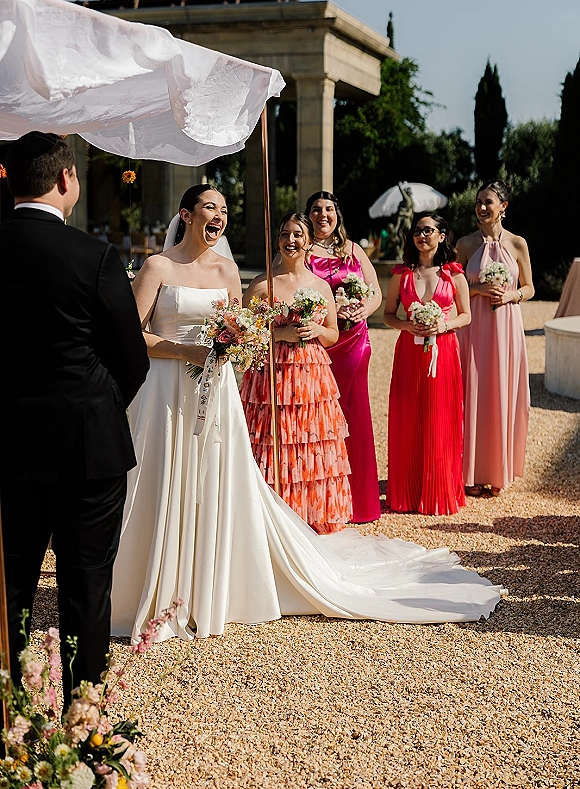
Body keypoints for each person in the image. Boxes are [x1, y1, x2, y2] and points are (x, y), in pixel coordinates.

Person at [111, 186, 505, 645]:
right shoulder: (158, 267)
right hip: (165, 388)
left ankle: (205, 584)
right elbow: (130, 334)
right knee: (161, 476)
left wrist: (238, 343)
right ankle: (151, 579)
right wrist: (187, 350)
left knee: (212, 480)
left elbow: (243, 333)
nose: (218, 215)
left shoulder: (229, 271)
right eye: (209, 208)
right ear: (186, 214)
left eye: (223, 208)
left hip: (214, 389)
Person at [0, 132, 149, 705]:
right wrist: (97, 403)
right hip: (89, 448)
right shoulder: (95, 256)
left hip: (8, 448)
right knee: (86, 589)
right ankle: (84, 727)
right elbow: (130, 359)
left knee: (9, 589)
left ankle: (9, 722)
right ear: (65, 179)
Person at [240, 211, 352, 534]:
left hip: (310, 377)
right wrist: (279, 335)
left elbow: (333, 335)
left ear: (309, 241)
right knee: (272, 439)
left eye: (298, 235)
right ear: (277, 239)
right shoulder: (263, 284)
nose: (291, 241)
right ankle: (271, 516)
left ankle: (307, 514)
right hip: (270, 376)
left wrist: (315, 328)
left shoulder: (319, 285)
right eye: (285, 234)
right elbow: (244, 333)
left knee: (306, 442)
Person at [383, 212, 471, 515]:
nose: (422, 236)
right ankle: (407, 493)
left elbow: (466, 315)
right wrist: (408, 327)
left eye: (429, 230)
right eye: (418, 231)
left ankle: (438, 492)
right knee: (408, 416)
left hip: (444, 353)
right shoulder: (402, 274)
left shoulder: (453, 274)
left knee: (440, 417)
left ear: (442, 236)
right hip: (409, 354)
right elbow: (388, 315)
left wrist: (442, 326)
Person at [305, 191, 382, 523]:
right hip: (318, 343)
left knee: (354, 413)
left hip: (354, 343)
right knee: (317, 416)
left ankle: (359, 502)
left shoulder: (353, 250)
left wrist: (365, 306)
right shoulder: (301, 251)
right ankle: (322, 498)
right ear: (308, 216)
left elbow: (376, 290)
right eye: (316, 210)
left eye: (329, 210)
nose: (323, 215)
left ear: (338, 215)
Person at [456, 180, 533, 497]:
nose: (482, 207)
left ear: (503, 206)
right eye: (478, 202)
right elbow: (452, 288)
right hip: (473, 328)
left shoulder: (517, 244)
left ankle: (497, 471)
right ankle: (469, 472)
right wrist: (477, 290)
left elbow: (529, 287)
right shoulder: (464, 244)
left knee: (502, 393)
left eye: (488, 202)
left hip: (506, 328)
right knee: (472, 391)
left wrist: (512, 294)